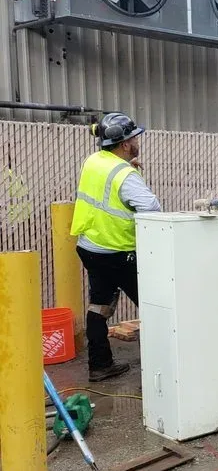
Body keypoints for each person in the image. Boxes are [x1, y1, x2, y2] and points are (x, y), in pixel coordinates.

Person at [71, 112, 162, 381]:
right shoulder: (125, 175)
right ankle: (164, 366)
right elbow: (151, 208)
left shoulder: (94, 161)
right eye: (134, 137)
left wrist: (130, 168)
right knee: (155, 304)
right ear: (124, 144)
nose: (137, 141)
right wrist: (132, 174)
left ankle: (100, 365)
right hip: (118, 252)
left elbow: (107, 189)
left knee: (99, 305)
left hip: (91, 247)